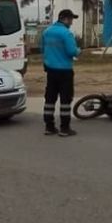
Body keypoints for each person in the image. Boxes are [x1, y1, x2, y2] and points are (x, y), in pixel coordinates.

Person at [41, 9, 80, 137]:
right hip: (65, 71)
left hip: (51, 70)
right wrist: (78, 51)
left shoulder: (47, 32)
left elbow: (43, 49)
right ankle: (64, 128)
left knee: (50, 99)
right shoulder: (66, 33)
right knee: (65, 100)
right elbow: (71, 51)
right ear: (65, 19)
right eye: (71, 20)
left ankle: (49, 126)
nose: (71, 22)